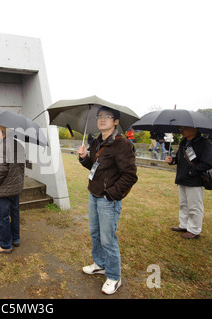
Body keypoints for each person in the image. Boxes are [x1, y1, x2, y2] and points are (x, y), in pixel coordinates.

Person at [77, 106, 138, 295]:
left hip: (107, 200)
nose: (102, 119)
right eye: (99, 116)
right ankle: (100, 264)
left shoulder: (122, 144)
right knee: (95, 233)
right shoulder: (97, 141)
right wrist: (84, 157)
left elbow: (130, 175)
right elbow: (94, 167)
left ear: (116, 121)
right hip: (93, 194)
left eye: (107, 117)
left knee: (108, 238)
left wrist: (111, 194)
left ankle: (113, 276)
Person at [165, 126, 212, 239]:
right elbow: (178, 158)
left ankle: (194, 230)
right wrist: (172, 161)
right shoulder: (184, 142)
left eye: (185, 129)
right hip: (183, 178)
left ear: (194, 129)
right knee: (184, 204)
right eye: (181, 129)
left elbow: (207, 163)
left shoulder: (204, 143)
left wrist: (192, 171)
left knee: (194, 206)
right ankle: (184, 225)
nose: (182, 131)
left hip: (195, 180)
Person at [0, 126, 26, 254]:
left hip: (5, 188)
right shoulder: (20, 146)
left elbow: (1, 169)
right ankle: (15, 239)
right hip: (15, 188)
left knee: (3, 217)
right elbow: (22, 168)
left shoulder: (3, 146)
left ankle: (5, 245)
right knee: (14, 213)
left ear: (3, 133)